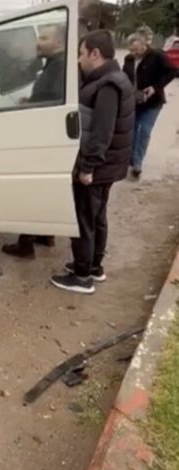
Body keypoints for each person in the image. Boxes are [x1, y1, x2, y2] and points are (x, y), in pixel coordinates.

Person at [51, 30, 134, 295]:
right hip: (107, 165)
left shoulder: (107, 85)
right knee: (97, 217)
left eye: (81, 53)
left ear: (95, 54)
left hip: (98, 166)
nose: (79, 59)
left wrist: (87, 167)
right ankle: (94, 267)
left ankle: (82, 276)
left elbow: (101, 132)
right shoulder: (113, 78)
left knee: (84, 219)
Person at [2, 23, 66, 259]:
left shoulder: (60, 67)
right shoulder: (54, 64)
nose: (38, 42)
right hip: (47, 137)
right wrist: (30, 101)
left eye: (44, 38)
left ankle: (26, 244)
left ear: (58, 42)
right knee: (45, 190)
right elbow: (48, 96)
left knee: (33, 191)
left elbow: (55, 102)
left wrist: (30, 106)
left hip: (46, 138)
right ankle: (46, 234)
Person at [123, 32, 175, 178]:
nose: (134, 53)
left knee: (144, 131)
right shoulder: (129, 59)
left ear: (144, 44)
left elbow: (173, 71)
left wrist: (155, 87)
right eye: (131, 50)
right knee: (132, 130)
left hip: (153, 102)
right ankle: (130, 158)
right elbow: (125, 76)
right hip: (134, 101)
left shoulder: (157, 56)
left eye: (136, 50)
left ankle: (137, 162)